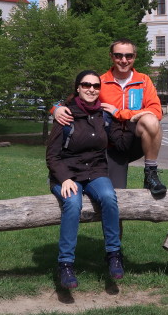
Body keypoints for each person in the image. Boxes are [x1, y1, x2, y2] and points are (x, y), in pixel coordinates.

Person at [53, 38, 166, 196]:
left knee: (150, 120)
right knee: (114, 197)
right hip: (110, 144)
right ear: (111, 56)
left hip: (135, 139)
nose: (124, 60)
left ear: (135, 57)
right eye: (119, 55)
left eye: (129, 56)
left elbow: (156, 111)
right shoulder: (101, 82)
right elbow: (74, 99)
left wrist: (119, 113)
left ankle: (150, 172)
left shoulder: (143, 81)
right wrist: (56, 109)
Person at [46, 70, 123, 289]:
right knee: (72, 202)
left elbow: (122, 140)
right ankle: (66, 264)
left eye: (96, 86)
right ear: (78, 88)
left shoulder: (104, 115)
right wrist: (64, 178)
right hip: (67, 173)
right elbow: (52, 155)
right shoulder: (65, 115)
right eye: (86, 85)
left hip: (95, 172)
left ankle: (113, 254)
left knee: (109, 197)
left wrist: (131, 119)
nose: (91, 89)